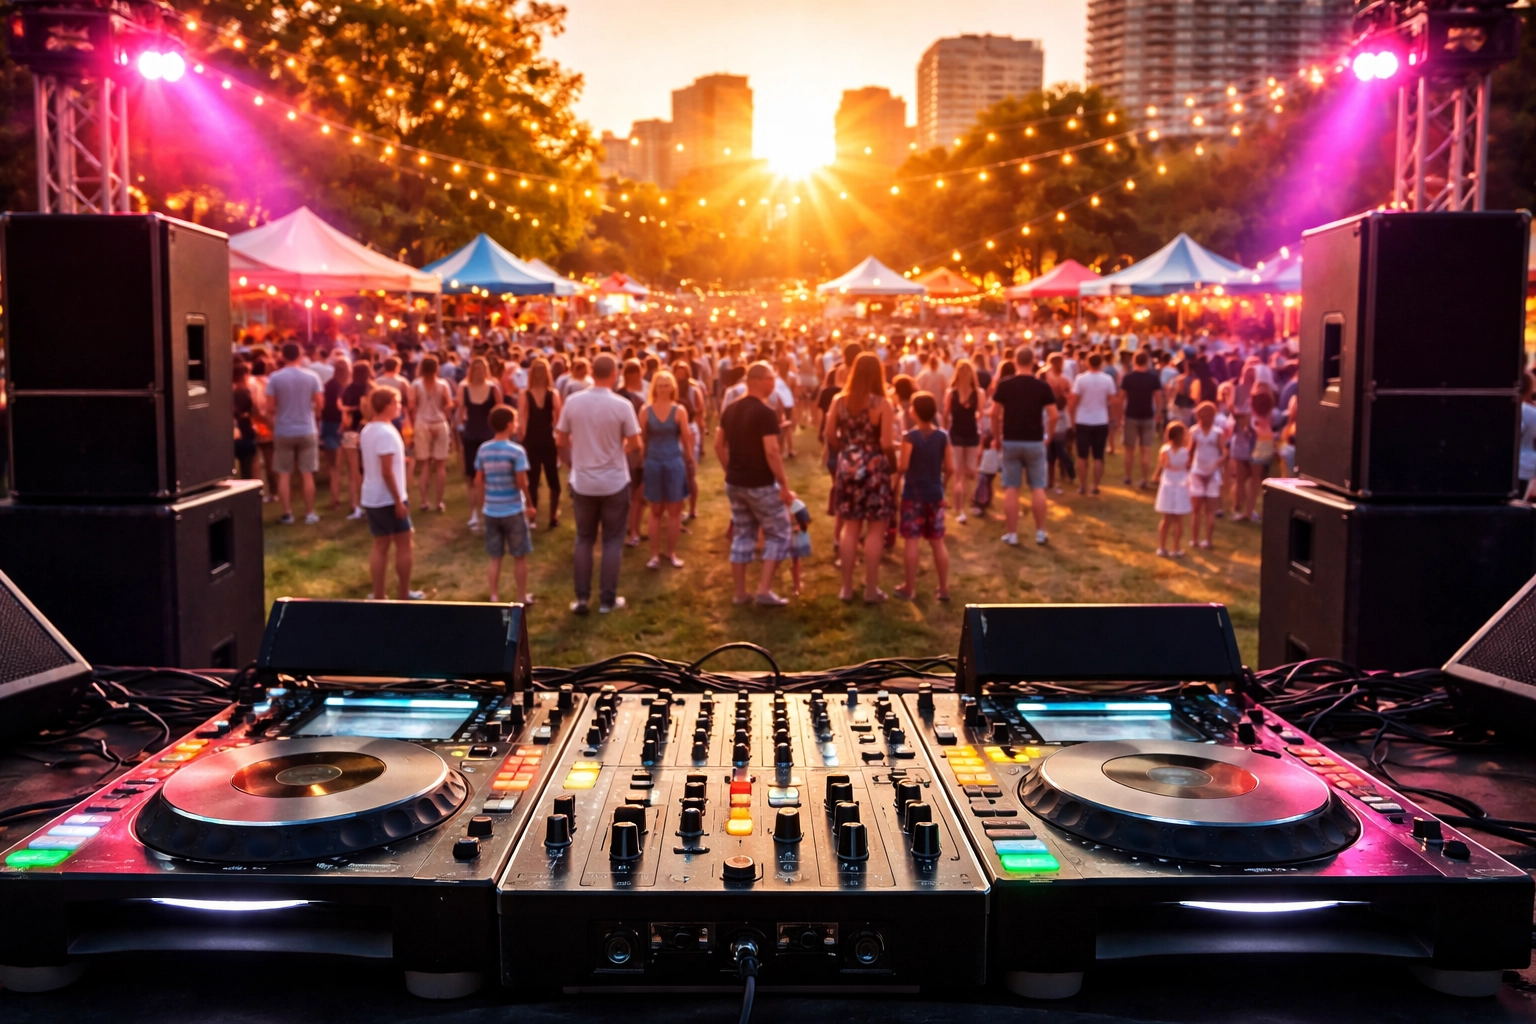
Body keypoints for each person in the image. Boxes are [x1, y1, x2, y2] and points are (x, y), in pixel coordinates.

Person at [556, 354, 640, 615]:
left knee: (584, 538)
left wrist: (573, 464)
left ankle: (582, 598)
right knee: (613, 541)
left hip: (583, 481)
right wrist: (620, 451)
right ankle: (607, 599)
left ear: (592, 372)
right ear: (615, 374)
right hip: (614, 480)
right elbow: (636, 443)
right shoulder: (622, 405)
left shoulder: (573, 402)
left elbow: (560, 439)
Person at [714, 361, 795, 606]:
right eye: (770, 378)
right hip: (760, 483)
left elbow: (718, 445)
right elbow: (772, 451)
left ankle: (740, 593)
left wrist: (731, 470)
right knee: (779, 533)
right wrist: (783, 483)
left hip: (735, 483)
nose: (773, 383)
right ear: (759, 381)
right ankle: (763, 590)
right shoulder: (765, 412)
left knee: (743, 534)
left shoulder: (730, 409)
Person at [827, 353, 897, 602]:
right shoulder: (882, 404)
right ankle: (870, 590)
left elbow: (829, 435)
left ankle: (846, 588)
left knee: (850, 527)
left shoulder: (839, 401)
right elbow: (887, 442)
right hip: (874, 466)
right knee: (876, 530)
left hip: (848, 465)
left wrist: (846, 450)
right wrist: (893, 465)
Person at [359, 387, 424, 600]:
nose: (399, 407)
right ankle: (404, 593)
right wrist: (398, 500)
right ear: (385, 405)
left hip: (371, 496)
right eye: (396, 402)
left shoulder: (368, 429)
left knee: (380, 546)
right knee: (404, 543)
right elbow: (386, 470)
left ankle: (378, 594)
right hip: (387, 497)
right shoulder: (386, 432)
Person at [990, 347, 1057, 546]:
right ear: (1033, 361)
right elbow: (1054, 415)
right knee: (1038, 487)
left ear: (1016, 361)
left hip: (1011, 439)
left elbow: (994, 413)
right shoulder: (1042, 386)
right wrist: (1049, 436)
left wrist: (996, 436)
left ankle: (1012, 534)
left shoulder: (1005, 385)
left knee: (1011, 487)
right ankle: (1040, 532)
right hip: (1035, 440)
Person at [474, 405, 534, 604]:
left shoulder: (484, 449)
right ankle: (522, 596)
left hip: (491, 509)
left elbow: (478, 479)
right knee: (519, 556)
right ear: (509, 424)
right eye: (515, 421)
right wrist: (530, 503)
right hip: (513, 509)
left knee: (495, 556)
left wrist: (483, 501)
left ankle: (493, 595)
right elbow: (521, 481)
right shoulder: (516, 451)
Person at [896, 392, 952, 602]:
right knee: (937, 542)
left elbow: (903, 465)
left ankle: (909, 588)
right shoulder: (942, 437)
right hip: (935, 494)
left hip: (913, 495)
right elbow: (950, 467)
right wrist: (942, 486)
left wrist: (896, 482)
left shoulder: (909, 437)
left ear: (914, 411)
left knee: (912, 541)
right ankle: (944, 587)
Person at [640, 370, 693, 569]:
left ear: (672, 387)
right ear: (655, 388)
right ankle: (654, 555)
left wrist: (689, 458)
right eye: (660, 385)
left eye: (666, 385)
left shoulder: (679, 410)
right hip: (653, 462)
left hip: (673, 462)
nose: (663, 389)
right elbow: (642, 439)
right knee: (655, 510)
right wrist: (640, 460)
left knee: (674, 510)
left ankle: (670, 553)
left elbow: (686, 438)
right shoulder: (645, 410)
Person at [266, 342, 324, 524]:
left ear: (282, 356)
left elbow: (269, 407)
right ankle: (309, 513)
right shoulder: (312, 376)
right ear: (300, 356)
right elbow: (320, 403)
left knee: (284, 473)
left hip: (284, 429)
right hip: (307, 427)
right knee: (307, 473)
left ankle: (287, 513)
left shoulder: (275, 378)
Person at [457, 356, 503, 532]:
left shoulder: (493, 389)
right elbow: (461, 413)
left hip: (489, 437)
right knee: (471, 477)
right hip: (472, 436)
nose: (479, 372)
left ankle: (489, 513)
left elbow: (500, 412)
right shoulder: (465, 389)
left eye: (482, 369)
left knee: (489, 477)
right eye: (476, 369)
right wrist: (460, 430)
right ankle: (474, 514)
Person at [518, 358, 563, 530]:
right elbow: (559, 416)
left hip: (531, 439)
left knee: (533, 479)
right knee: (553, 479)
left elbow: (522, 417)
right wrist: (558, 434)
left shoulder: (525, 394)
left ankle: (532, 516)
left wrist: (521, 434)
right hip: (547, 438)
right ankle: (553, 516)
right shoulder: (553, 394)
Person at [410, 356, 455, 513]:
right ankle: (439, 501)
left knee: (425, 465)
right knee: (440, 464)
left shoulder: (415, 384)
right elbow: (449, 404)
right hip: (439, 422)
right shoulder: (443, 384)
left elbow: (411, 405)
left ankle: (424, 501)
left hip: (422, 423)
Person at [1068, 352, 1117, 496]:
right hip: (1101, 419)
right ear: (1101, 363)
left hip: (1083, 419)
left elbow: (1074, 401)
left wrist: (1072, 418)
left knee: (1082, 456)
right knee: (1098, 456)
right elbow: (1112, 401)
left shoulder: (1080, 379)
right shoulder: (1107, 380)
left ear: (1088, 363)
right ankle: (1095, 485)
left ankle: (1082, 485)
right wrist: (1112, 417)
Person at [944, 359, 981, 524]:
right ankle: (968, 503)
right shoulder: (978, 393)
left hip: (957, 433)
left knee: (958, 472)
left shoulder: (951, 393)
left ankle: (959, 508)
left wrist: (945, 429)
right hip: (971, 433)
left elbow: (945, 414)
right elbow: (980, 414)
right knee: (970, 470)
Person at [1119, 350, 1163, 489]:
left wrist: (1120, 415)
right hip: (1147, 415)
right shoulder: (1153, 378)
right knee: (1146, 450)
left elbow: (1121, 398)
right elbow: (1158, 397)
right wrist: (1159, 413)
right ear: (1147, 361)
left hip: (1131, 415)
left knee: (1129, 450)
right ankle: (1144, 479)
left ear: (1134, 361)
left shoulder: (1128, 378)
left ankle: (1128, 477)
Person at [1187, 401, 1226, 550]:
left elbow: (1189, 451)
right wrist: (1217, 462)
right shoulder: (1216, 433)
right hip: (1209, 472)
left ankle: (1195, 540)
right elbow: (1224, 452)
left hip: (1198, 471)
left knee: (1196, 510)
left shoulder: (1196, 431)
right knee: (1209, 511)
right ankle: (1207, 541)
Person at [339, 360, 372, 520]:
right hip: (367, 430)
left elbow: (344, 411)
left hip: (349, 433)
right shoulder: (372, 388)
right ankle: (369, 503)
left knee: (352, 472)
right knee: (368, 469)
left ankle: (355, 506)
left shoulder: (348, 389)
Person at [1154, 421, 1191, 558]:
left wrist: (1156, 474)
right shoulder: (1185, 452)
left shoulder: (1165, 450)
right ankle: (1176, 548)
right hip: (1181, 484)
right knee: (1179, 520)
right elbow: (1187, 465)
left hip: (1168, 484)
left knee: (1166, 519)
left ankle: (1162, 547)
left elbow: (1164, 464)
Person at [319, 358, 352, 511]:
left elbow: (321, 407)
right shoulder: (348, 387)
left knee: (333, 467)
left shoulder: (327, 386)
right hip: (346, 427)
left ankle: (335, 500)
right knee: (351, 466)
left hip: (328, 426)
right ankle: (354, 501)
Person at [232, 363, 258, 480]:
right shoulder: (246, 391)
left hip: (232, 431)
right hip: (246, 430)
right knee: (247, 466)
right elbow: (255, 410)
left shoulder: (228, 391)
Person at [788, 497, 812, 596]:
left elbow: (805, 524)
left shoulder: (796, 505)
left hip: (796, 539)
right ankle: (796, 580)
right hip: (788, 538)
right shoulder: (781, 506)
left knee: (796, 560)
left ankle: (797, 585)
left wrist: (793, 529)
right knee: (793, 562)